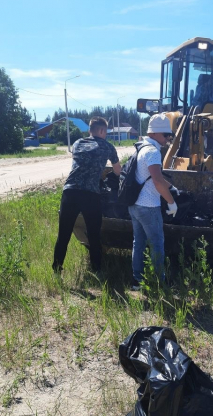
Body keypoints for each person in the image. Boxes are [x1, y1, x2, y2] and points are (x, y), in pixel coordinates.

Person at [52, 116, 121, 274]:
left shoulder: (77, 143)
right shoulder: (108, 147)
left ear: (90, 130)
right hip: (90, 194)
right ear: (102, 131)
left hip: (70, 191)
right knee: (94, 235)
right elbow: (117, 171)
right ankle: (96, 271)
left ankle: (56, 270)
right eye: (106, 131)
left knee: (63, 235)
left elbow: (83, 162)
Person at [129, 113, 177, 289]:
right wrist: (171, 202)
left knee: (139, 242)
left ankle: (137, 281)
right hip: (149, 206)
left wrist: (170, 186)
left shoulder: (141, 148)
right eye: (166, 135)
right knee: (156, 243)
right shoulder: (153, 151)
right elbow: (157, 181)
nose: (167, 139)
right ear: (155, 134)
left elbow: (151, 177)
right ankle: (159, 282)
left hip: (135, 205)